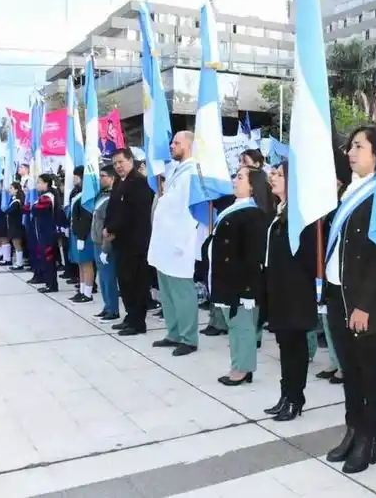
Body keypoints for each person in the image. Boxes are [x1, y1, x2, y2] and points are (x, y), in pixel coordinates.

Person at [324, 126, 376, 475]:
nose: (350, 152)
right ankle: (352, 430)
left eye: (359, 146)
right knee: (350, 371)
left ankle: (367, 439)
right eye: (350, 146)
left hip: (365, 302)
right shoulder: (349, 191)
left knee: (370, 372)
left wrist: (365, 305)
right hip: (338, 294)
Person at [205, 166, 270, 386]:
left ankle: (243, 368)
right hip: (225, 278)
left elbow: (253, 255)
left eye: (240, 177)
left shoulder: (253, 214)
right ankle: (238, 365)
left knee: (242, 326)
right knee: (234, 326)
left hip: (241, 283)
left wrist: (247, 289)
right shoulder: (234, 208)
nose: (234, 180)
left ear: (252, 186)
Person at [263, 162, 319, 420]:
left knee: (295, 349)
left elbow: (308, 257)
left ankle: (296, 398)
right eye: (273, 174)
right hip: (280, 291)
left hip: (295, 293)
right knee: (285, 347)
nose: (273, 178)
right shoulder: (279, 211)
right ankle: (286, 395)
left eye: (279, 174)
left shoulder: (300, 216)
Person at [148, 131, 203, 356]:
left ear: (188, 146)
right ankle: (173, 333)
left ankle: (188, 338)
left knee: (182, 292)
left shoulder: (192, 173)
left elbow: (190, 211)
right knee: (167, 292)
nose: (172, 145)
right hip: (164, 241)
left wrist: (181, 241)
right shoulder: (177, 170)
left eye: (177, 143)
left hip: (179, 243)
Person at [104, 148, 154, 336]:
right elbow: (113, 209)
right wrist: (108, 227)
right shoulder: (119, 182)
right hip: (120, 241)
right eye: (115, 163)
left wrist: (112, 228)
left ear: (130, 161)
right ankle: (130, 316)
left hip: (135, 242)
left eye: (121, 162)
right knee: (124, 282)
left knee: (136, 283)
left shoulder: (139, 182)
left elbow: (132, 214)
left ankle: (138, 322)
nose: (118, 166)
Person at [91, 165, 118, 322]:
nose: (100, 179)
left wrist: (106, 248)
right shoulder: (101, 196)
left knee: (109, 278)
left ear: (112, 178)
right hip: (96, 242)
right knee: (102, 278)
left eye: (103, 176)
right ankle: (107, 306)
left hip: (105, 244)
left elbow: (109, 225)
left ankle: (113, 310)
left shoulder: (112, 198)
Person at [68, 166, 95, 303]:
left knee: (87, 264)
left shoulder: (87, 196)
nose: (74, 179)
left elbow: (85, 217)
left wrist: (81, 236)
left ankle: (88, 293)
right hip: (76, 232)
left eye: (76, 177)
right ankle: (82, 290)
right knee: (80, 263)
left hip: (84, 234)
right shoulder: (78, 194)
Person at [32, 174, 60, 293]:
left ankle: (52, 285)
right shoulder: (44, 196)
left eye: (39, 182)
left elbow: (36, 209)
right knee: (45, 258)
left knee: (48, 258)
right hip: (44, 231)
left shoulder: (47, 197)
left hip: (47, 232)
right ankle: (49, 283)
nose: (37, 185)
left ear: (46, 183)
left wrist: (33, 205)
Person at [6, 182, 26, 271]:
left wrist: (6, 210)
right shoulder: (14, 200)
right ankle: (18, 262)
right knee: (15, 244)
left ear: (16, 189)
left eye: (11, 188)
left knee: (17, 244)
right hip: (13, 225)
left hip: (16, 225)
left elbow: (9, 211)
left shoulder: (17, 202)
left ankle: (19, 263)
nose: (9, 190)